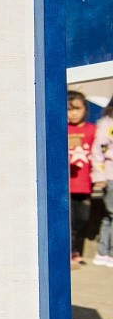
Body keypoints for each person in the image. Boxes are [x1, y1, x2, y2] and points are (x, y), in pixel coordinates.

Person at [67, 91, 95, 269]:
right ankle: (70, 252)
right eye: (69, 109)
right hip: (67, 185)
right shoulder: (62, 129)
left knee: (82, 220)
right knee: (67, 221)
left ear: (85, 108)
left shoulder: (92, 130)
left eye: (77, 108)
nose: (73, 113)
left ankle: (74, 250)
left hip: (85, 184)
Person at [91, 97, 113, 268]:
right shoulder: (106, 123)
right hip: (110, 173)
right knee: (110, 215)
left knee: (109, 216)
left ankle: (105, 251)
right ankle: (104, 251)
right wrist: (99, 176)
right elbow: (97, 150)